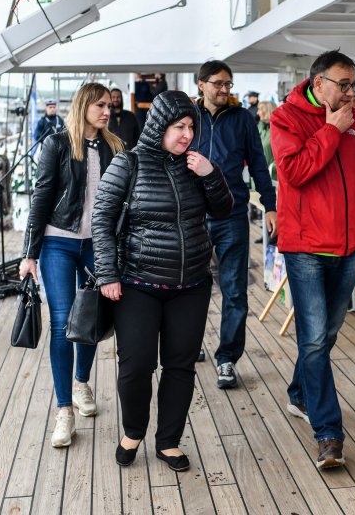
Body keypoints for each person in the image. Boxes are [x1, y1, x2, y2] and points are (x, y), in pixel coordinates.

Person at [92, 90, 233, 472]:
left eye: (191, 126)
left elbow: (224, 209)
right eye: (179, 126)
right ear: (160, 126)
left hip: (191, 285)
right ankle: (133, 431)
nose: (187, 134)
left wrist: (211, 174)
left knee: (180, 366)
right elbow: (102, 220)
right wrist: (106, 273)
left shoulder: (197, 165)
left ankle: (168, 441)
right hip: (137, 283)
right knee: (136, 365)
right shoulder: (129, 162)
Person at [271, 50, 355, 469]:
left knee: (327, 333)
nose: (352, 92)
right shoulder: (287, 119)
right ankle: (328, 432)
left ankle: (299, 393)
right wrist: (331, 131)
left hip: (349, 246)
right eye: (344, 84)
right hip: (306, 248)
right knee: (314, 338)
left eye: (354, 84)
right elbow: (295, 171)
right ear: (318, 84)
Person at [18, 83, 124, 448]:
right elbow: (42, 196)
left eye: (108, 105)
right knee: (62, 321)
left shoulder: (114, 145)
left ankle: (82, 383)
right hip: (58, 242)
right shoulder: (58, 144)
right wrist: (29, 253)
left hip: (98, 244)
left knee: (91, 317)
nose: (106, 111)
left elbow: (123, 201)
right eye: (99, 105)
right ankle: (64, 410)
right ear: (82, 106)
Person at [195, 60, 277, 390]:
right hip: (193, 213)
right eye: (218, 84)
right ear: (201, 84)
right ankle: (190, 345)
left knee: (234, 289)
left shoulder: (242, 118)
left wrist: (271, 207)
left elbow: (259, 164)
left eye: (228, 84)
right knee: (189, 285)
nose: (224, 89)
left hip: (232, 213)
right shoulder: (187, 117)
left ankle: (227, 358)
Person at [257, 100, 276, 175]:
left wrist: (272, 168)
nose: (257, 113)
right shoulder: (260, 127)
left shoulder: (278, 129)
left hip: (273, 178)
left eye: (260, 109)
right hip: (258, 177)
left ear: (268, 111)